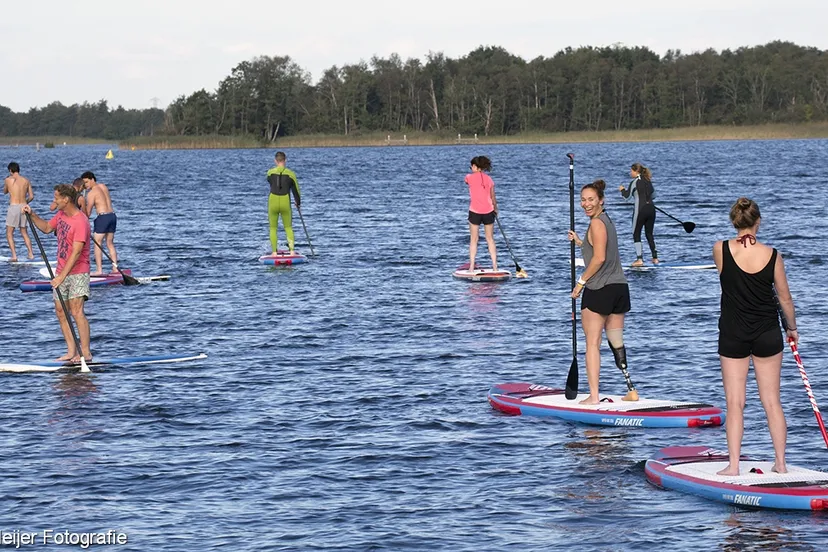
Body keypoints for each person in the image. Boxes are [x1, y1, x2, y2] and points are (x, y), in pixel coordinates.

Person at [713, 197, 797, 476]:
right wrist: (792, 328)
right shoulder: (772, 255)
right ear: (758, 221)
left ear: (734, 222)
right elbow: (784, 299)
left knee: (735, 402)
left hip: (733, 333)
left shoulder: (720, 250)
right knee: (772, 400)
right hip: (768, 333)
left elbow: (731, 279)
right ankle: (781, 464)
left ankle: (734, 465)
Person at [568, 179, 636, 404]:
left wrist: (580, 282)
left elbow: (599, 258)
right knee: (616, 341)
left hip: (599, 289)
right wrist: (580, 242)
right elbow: (597, 249)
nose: (585, 204)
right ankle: (631, 389)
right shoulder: (606, 222)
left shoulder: (596, 224)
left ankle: (594, 396)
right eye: (583, 200)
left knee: (592, 344)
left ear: (601, 201)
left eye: (590, 200)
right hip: (619, 289)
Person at [22, 185, 92, 363]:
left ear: (66, 200)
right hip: (61, 271)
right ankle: (71, 352)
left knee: (77, 312)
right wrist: (32, 214)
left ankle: (85, 353)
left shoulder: (81, 222)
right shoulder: (61, 215)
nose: (54, 201)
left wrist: (61, 277)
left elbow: (76, 253)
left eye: (56, 198)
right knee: (61, 312)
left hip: (78, 272)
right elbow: (46, 228)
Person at [619, 163, 658, 267]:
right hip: (651, 210)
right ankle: (655, 258)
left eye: (631, 171)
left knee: (636, 233)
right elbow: (654, 195)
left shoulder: (634, 182)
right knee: (649, 234)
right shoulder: (648, 181)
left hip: (640, 210)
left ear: (636, 172)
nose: (630, 173)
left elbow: (627, 198)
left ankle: (639, 260)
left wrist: (622, 190)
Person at [464, 156, 498, 271]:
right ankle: (495, 266)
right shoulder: (489, 179)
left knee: (474, 239)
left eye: (471, 166)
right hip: (489, 211)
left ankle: (472, 267)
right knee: (490, 239)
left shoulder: (469, 177)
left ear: (475, 166)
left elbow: (466, 181)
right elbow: (493, 197)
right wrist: (496, 209)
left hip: (475, 212)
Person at [81, 171, 118, 275]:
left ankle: (99, 270)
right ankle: (115, 268)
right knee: (110, 244)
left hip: (103, 218)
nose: (85, 185)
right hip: (112, 216)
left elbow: (87, 213)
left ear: (92, 179)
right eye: (84, 184)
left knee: (98, 244)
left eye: (87, 182)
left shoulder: (91, 193)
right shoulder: (103, 186)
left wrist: (82, 204)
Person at [266, 151, 301, 255]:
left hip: (273, 202)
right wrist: (298, 203)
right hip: (285, 202)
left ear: (275, 161)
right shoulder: (291, 174)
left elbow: (269, 180)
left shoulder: (270, 172)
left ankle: (274, 252)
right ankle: (292, 251)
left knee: (273, 228)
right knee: (288, 227)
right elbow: (296, 190)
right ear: (285, 160)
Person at [3, 162, 35, 261]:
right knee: (24, 231)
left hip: (14, 206)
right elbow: (31, 196)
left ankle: (14, 256)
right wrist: (25, 203)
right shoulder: (26, 180)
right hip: (23, 206)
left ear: (10, 170)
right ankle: (31, 253)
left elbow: (5, 191)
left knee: (9, 233)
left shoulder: (8, 180)